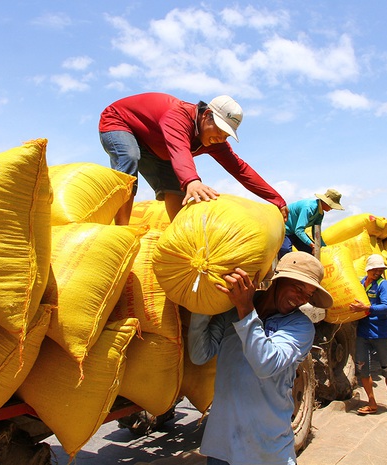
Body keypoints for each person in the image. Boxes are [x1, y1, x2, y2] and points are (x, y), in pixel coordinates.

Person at [188, 252, 333, 465]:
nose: (301, 299)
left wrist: (245, 308)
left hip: (267, 451)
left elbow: (266, 364)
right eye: (298, 287)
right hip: (221, 448)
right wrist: (203, 303)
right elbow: (200, 355)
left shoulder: (300, 327)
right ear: (278, 279)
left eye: (308, 295)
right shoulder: (231, 310)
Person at [99, 92, 288, 225]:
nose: (221, 138)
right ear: (206, 116)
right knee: (129, 155)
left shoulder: (215, 142)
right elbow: (180, 149)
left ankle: (180, 235)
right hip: (120, 122)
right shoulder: (178, 115)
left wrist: (277, 199)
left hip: (158, 145)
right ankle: (121, 229)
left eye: (227, 135)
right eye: (220, 131)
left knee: (175, 188)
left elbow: (240, 169)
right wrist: (192, 181)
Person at [350, 254, 387, 418]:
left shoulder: (383, 285)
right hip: (363, 333)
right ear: (368, 269)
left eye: (380, 269)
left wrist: (367, 309)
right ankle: (371, 402)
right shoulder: (361, 283)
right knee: (363, 368)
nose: (378, 272)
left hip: (380, 333)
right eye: (375, 269)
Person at [278, 189, 343, 259]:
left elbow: (316, 233)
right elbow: (299, 230)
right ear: (326, 202)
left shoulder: (320, 214)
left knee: (312, 252)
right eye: (331, 206)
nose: (332, 208)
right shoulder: (308, 208)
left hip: (296, 232)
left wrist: (323, 247)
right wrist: (312, 244)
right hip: (285, 230)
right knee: (286, 251)